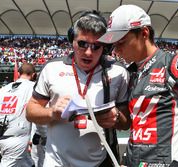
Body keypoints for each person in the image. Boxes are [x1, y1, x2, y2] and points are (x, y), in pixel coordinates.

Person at [98, 4, 178, 167]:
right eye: (113, 45)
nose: (116, 50)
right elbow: (135, 126)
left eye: (121, 42)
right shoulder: (132, 73)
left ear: (144, 33)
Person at [26, 10, 130, 167]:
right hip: (56, 162)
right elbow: (30, 111)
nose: (88, 52)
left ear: (105, 48)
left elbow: (126, 122)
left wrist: (116, 119)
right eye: (82, 44)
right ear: (72, 41)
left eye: (96, 46)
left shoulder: (118, 72)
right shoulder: (52, 68)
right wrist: (52, 112)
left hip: (101, 162)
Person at [0, 63, 37, 167]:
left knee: (28, 163)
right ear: (34, 75)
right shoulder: (34, 88)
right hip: (19, 138)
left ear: (18, 74)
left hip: (0, 137)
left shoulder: (3, 89)